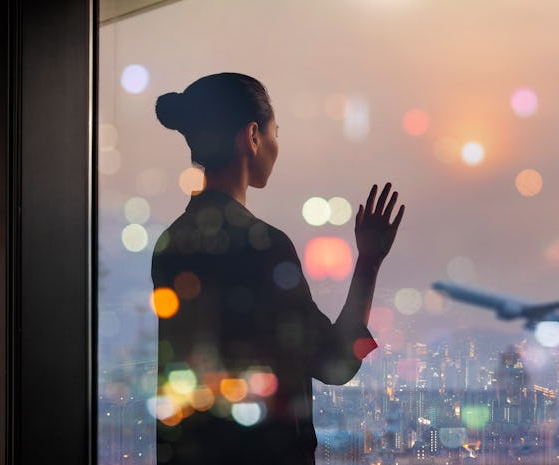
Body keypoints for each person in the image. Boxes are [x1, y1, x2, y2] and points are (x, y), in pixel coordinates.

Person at [151, 72, 404, 465]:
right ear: (252, 136)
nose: (275, 145)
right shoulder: (262, 244)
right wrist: (369, 261)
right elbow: (335, 364)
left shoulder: (171, 244)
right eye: (274, 132)